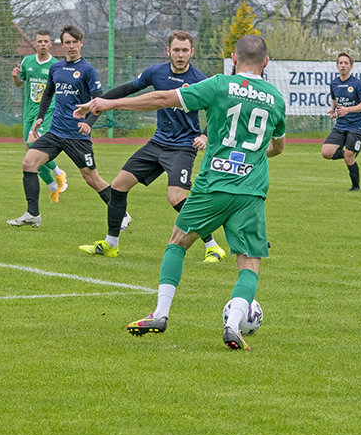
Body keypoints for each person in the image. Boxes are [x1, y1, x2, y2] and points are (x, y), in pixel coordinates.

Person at [75, 34, 286, 351]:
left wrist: (109, 103)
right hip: (251, 190)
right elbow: (277, 148)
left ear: (233, 58)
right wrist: (251, 155)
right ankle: (232, 325)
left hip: (213, 184)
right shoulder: (276, 99)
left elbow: (162, 99)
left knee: (178, 243)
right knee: (249, 262)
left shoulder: (219, 85)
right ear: (266, 62)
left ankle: (160, 314)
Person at [77, 30, 226, 262]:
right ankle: (110, 244)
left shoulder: (200, 80)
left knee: (176, 198)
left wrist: (205, 136)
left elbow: (217, 111)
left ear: (192, 52)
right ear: (168, 51)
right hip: (157, 142)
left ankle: (213, 246)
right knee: (118, 186)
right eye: (176, 50)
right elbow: (128, 89)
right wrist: (97, 103)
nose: (180, 55)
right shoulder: (156, 72)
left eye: (184, 50)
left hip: (183, 146)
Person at [7, 24, 131, 230]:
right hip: (55, 132)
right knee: (28, 163)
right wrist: (40, 117)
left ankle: (123, 214)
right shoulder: (56, 68)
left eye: (75, 42)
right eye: (67, 42)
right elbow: (48, 93)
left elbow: (98, 100)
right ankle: (32, 214)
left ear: (81, 43)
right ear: (62, 45)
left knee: (92, 178)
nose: (72, 46)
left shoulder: (88, 70)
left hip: (76, 135)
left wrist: (88, 123)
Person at [12, 29, 68, 203]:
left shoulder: (56, 66)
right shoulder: (27, 61)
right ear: (35, 44)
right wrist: (15, 77)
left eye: (46, 41)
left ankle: (58, 172)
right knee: (31, 153)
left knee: (33, 144)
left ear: (50, 44)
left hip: (47, 111)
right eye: (40, 41)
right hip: (29, 111)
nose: (43, 44)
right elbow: (19, 83)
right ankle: (53, 187)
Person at [320, 52, 361, 192]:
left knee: (348, 157)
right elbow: (334, 98)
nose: (343, 65)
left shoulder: (357, 84)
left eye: (346, 63)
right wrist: (332, 109)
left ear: (351, 66)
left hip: (356, 126)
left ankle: (355, 187)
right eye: (340, 63)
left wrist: (348, 109)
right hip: (341, 125)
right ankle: (350, 152)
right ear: (337, 66)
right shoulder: (334, 83)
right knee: (326, 152)